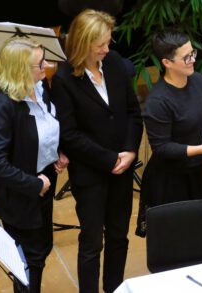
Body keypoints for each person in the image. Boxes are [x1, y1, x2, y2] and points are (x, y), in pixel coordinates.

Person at [50, 9, 143, 293]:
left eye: (108, 42)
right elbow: (69, 134)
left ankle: (114, 288)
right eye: (100, 44)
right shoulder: (65, 78)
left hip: (122, 168)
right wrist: (110, 158)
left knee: (119, 236)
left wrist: (129, 151)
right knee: (92, 241)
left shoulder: (114, 63)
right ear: (82, 44)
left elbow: (132, 113)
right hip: (90, 172)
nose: (107, 48)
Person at [0, 37, 68, 293]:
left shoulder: (38, 86)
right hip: (19, 192)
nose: (47, 65)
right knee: (28, 260)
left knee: (40, 249)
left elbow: (45, 123)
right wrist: (34, 184)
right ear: (20, 71)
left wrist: (57, 150)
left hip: (43, 180)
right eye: (40, 63)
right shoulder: (0, 105)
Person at [136, 28, 202, 237]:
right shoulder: (158, 101)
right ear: (167, 63)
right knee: (177, 239)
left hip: (199, 173)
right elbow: (162, 148)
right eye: (186, 57)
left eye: (192, 53)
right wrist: (201, 149)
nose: (192, 60)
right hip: (170, 181)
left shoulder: (198, 81)